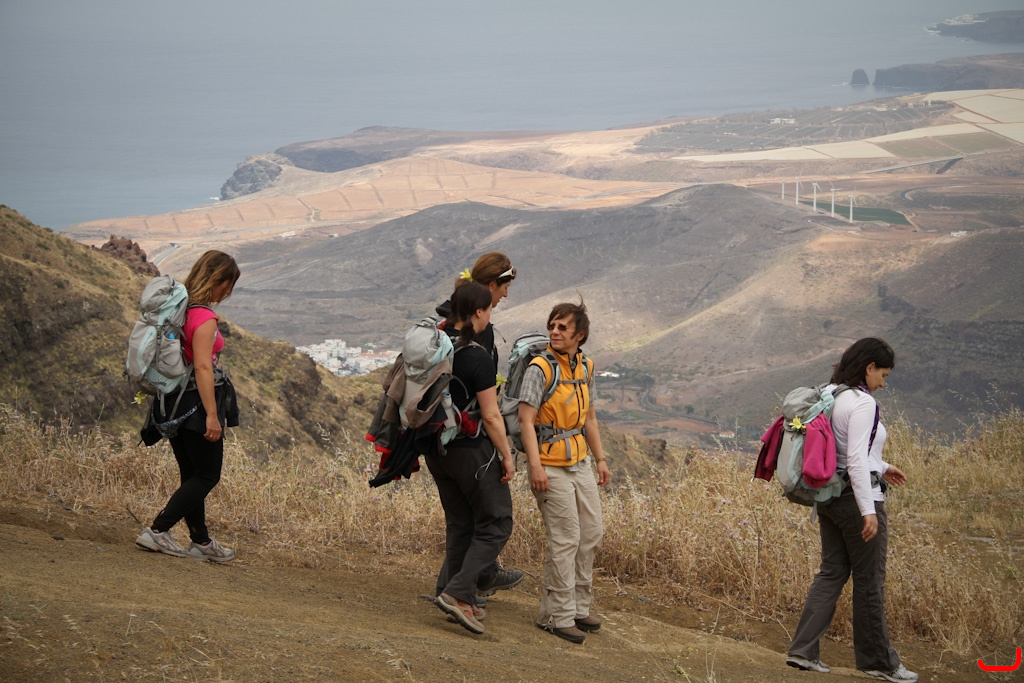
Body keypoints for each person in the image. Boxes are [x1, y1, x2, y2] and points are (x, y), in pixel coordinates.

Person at [787, 338, 917, 682]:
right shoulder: (862, 403)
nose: (883, 384)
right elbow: (856, 459)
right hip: (856, 500)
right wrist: (868, 510)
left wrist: (883, 465)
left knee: (831, 572)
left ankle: (803, 651)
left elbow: (842, 448)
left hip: (828, 496)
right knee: (869, 581)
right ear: (869, 367)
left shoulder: (831, 393)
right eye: (882, 375)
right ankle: (879, 662)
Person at [136, 250, 241, 563]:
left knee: (192, 474)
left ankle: (201, 541)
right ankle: (158, 530)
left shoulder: (180, 310)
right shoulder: (205, 318)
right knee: (208, 475)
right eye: (228, 285)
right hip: (195, 403)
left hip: (171, 401)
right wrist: (212, 416)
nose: (228, 293)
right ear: (218, 280)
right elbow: (203, 368)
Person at [517, 299, 611, 644]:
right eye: (552, 326)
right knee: (565, 538)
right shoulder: (539, 368)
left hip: (580, 461)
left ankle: (578, 608)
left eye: (562, 327)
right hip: (549, 465)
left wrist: (600, 459)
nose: (554, 332)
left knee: (591, 533)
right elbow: (525, 420)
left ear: (579, 335)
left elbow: (590, 418)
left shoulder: (586, 367)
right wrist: (535, 466)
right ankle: (556, 616)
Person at [434, 252, 524, 598]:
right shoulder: (476, 347)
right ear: (481, 306)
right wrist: (506, 455)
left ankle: (451, 587)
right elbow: (489, 413)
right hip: (471, 444)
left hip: (437, 442)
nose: (505, 296)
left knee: (461, 522)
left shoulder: (441, 331)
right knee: (495, 521)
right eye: (503, 288)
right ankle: (462, 590)